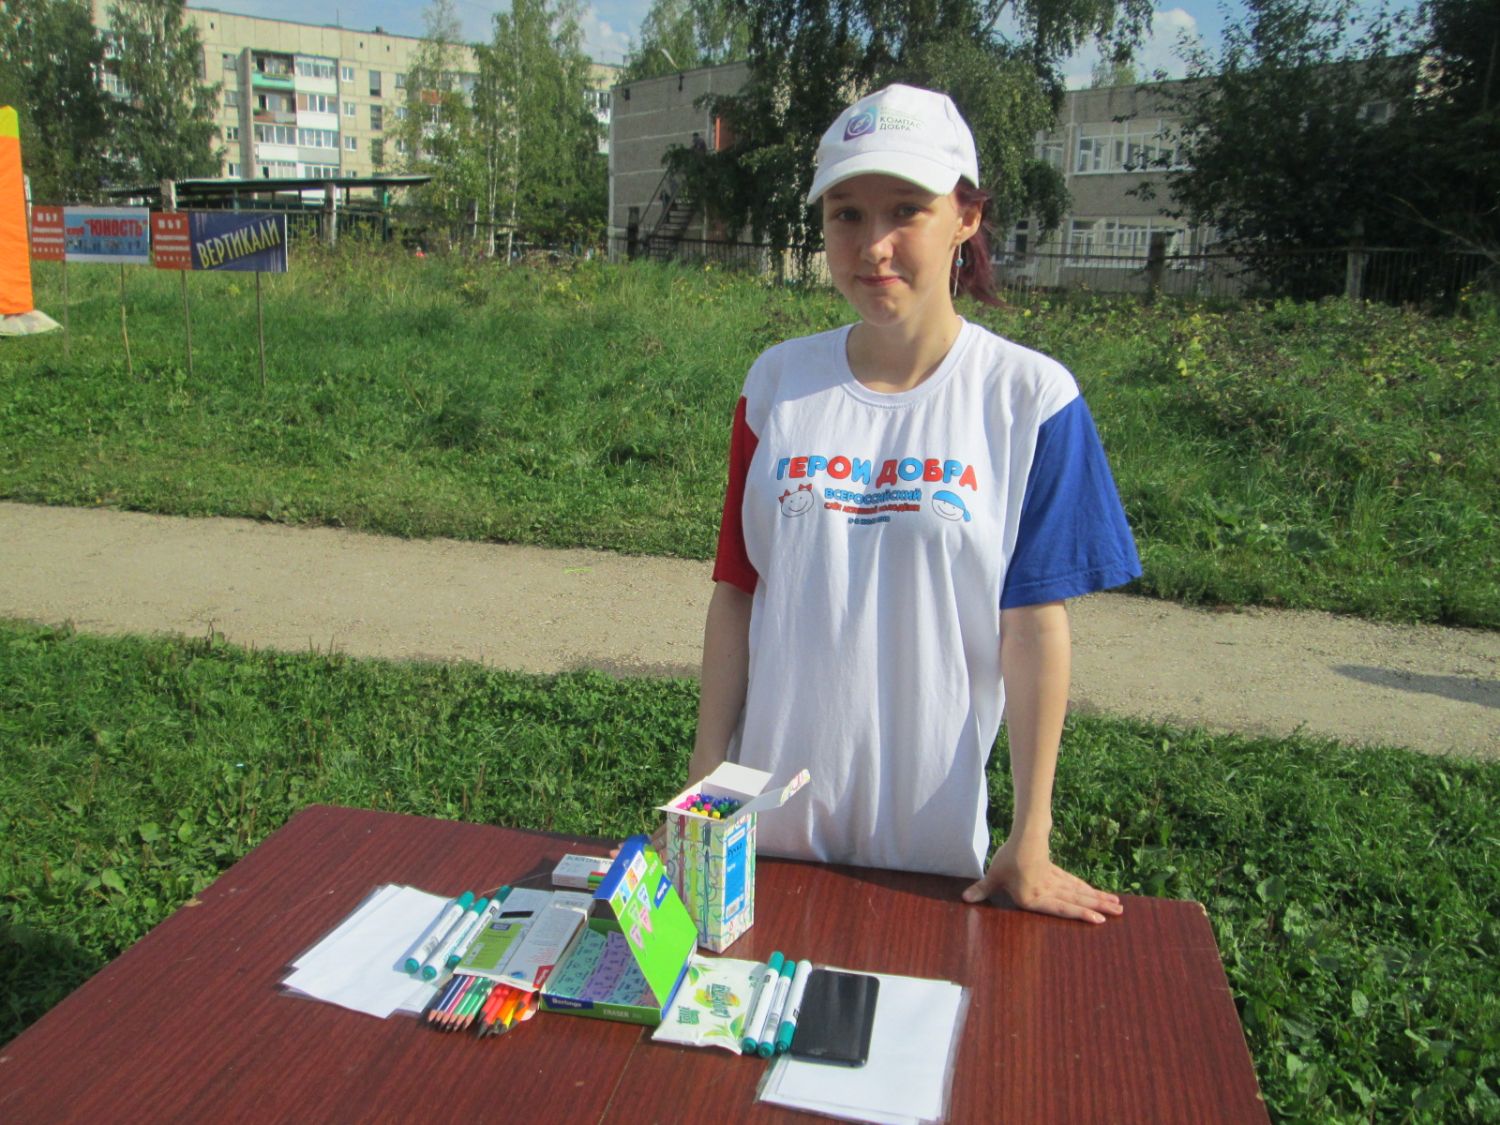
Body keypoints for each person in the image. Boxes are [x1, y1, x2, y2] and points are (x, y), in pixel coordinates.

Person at [688, 84, 1142, 924]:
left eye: (907, 210)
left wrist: (1031, 835)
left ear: (966, 216)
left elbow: (1034, 630)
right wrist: (705, 786)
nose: (874, 246)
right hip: (762, 843)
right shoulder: (777, 383)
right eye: (847, 215)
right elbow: (737, 594)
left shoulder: (1030, 400)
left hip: (929, 865)